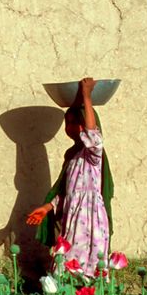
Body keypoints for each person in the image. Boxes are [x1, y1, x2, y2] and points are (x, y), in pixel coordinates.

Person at [25, 77, 113, 276]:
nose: (70, 127)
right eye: (68, 123)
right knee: (66, 260)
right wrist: (47, 208)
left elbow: (93, 136)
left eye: (76, 122)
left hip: (90, 220)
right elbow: (66, 192)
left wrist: (86, 96)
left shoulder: (92, 155)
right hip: (73, 218)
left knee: (87, 264)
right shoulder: (71, 156)